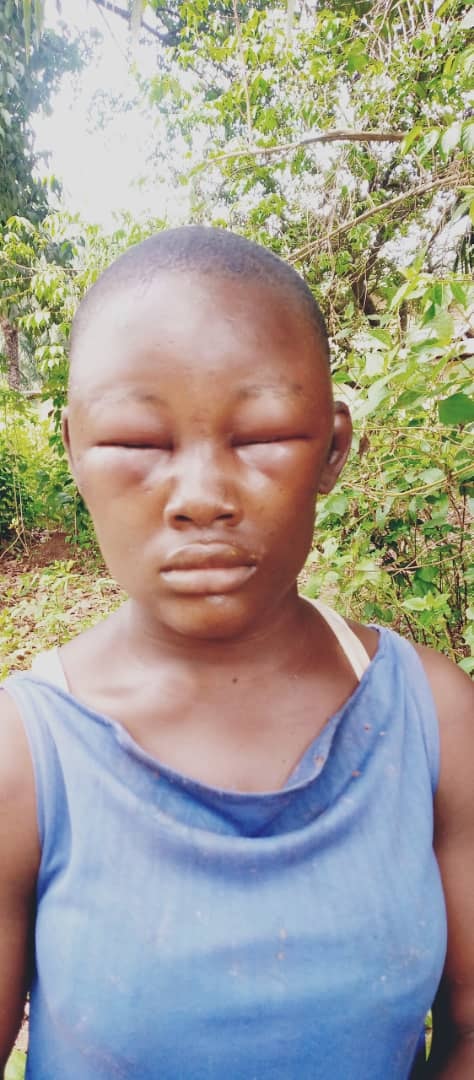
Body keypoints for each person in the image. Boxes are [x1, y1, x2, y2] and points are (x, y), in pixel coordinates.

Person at [0, 227, 473, 1080]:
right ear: (72, 448)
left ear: (334, 448)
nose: (202, 497)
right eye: (138, 444)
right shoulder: (24, 759)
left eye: (261, 436)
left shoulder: (432, 719)